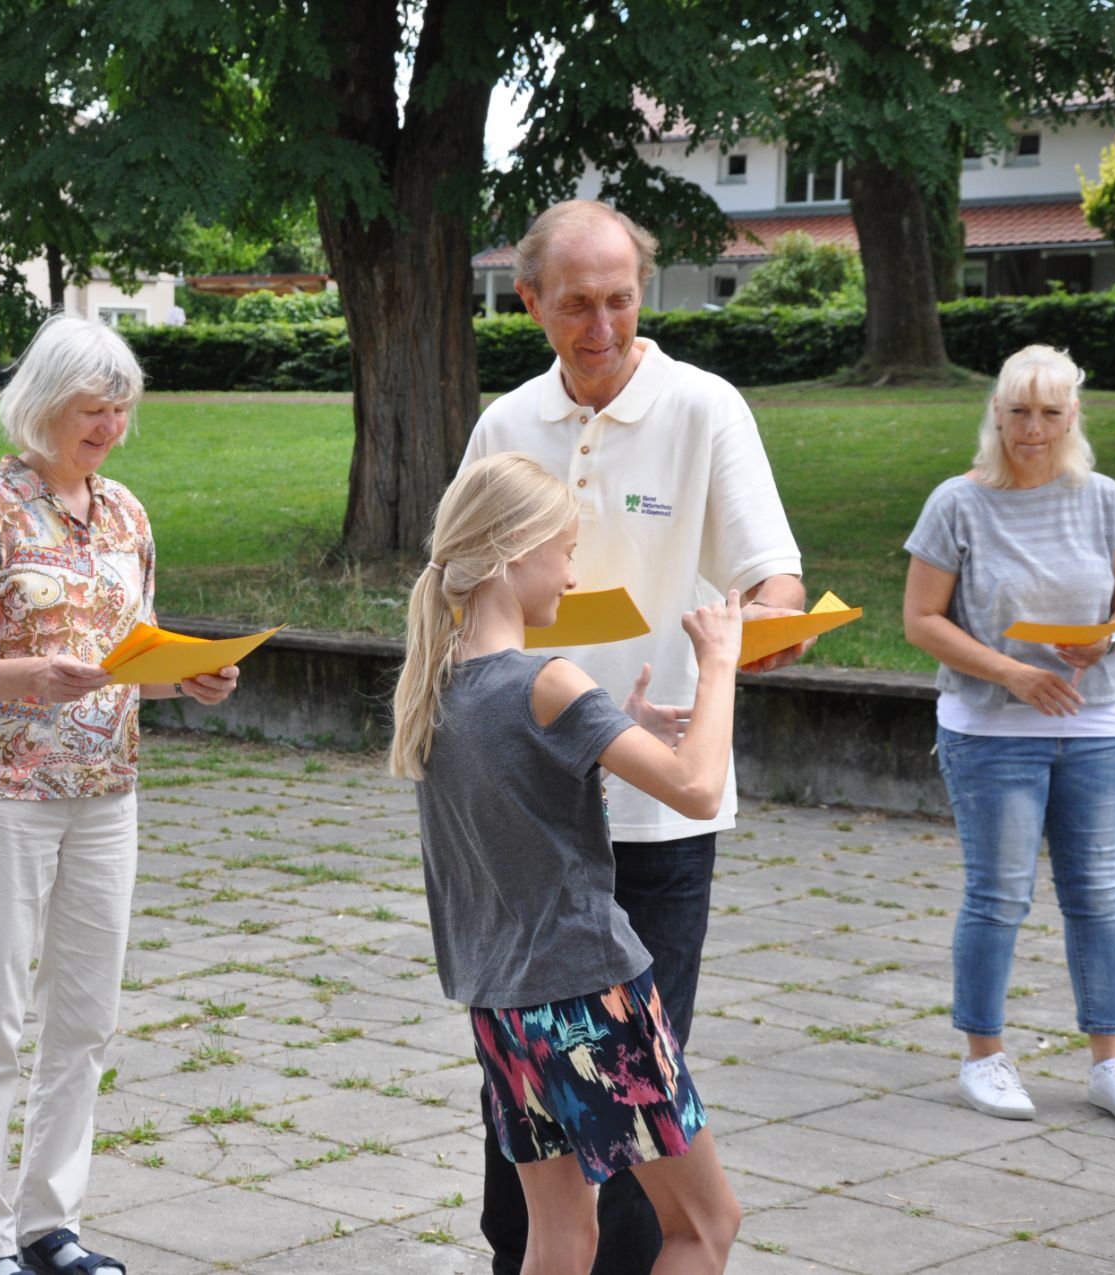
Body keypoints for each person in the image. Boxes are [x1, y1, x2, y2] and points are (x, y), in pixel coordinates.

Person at [460, 199, 805, 1274]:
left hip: (655, 815)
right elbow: (457, 592)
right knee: (524, 1136)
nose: (602, 326)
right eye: (577, 304)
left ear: (643, 292)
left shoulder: (704, 407)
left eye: (620, 300)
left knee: (636, 1128)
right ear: (529, 302)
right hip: (528, 822)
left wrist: (770, 626)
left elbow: (773, 577)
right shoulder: (505, 425)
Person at [0, 314, 239, 1275]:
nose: (110, 427)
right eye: (94, 409)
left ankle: (48, 1225)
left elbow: (128, 656)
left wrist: (187, 678)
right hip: (2, 797)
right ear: (45, 404)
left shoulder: (127, 514)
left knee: (85, 1019)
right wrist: (27, 675)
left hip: (108, 795)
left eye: (121, 409)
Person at [391, 452, 743, 1275]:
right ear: (515, 551)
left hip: (503, 1006)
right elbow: (698, 788)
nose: (574, 575)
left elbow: (522, 807)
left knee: (561, 1240)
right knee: (705, 1225)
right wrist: (720, 662)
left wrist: (615, 732)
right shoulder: (546, 680)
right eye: (566, 552)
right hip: (590, 995)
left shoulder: (437, 686)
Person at [902, 344, 1115, 1124]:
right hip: (992, 727)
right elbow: (921, 620)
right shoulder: (957, 502)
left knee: (1099, 896)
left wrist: (1107, 640)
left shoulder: (1104, 499)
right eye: (1019, 412)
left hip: (1098, 724)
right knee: (999, 895)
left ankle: (1111, 1061)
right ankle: (984, 1056)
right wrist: (1012, 673)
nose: (1032, 429)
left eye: (1049, 413)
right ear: (995, 413)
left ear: (1073, 417)